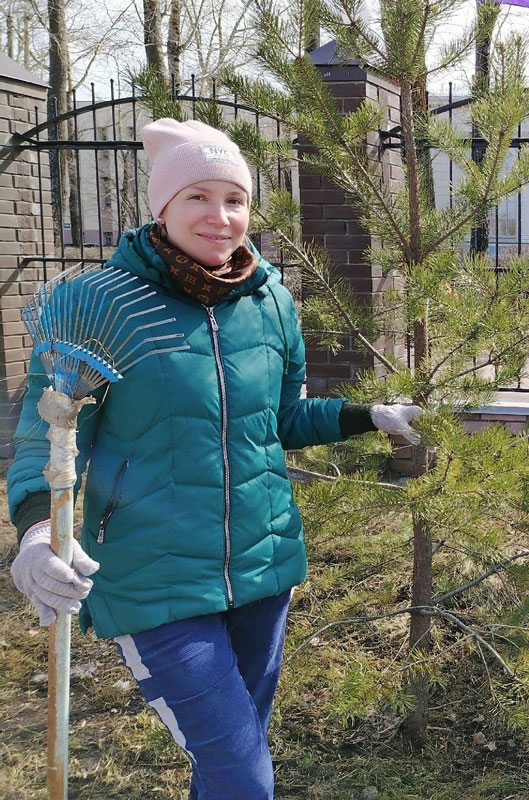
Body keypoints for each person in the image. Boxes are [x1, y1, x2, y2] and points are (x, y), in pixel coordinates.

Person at [6, 118, 422, 799]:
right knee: (242, 774)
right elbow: (46, 438)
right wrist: (36, 531)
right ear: (160, 206)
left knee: (233, 761)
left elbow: (279, 420)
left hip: (263, 572)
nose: (219, 216)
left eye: (234, 199)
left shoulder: (272, 302)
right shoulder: (98, 306)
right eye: (197, 196)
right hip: (154, 583)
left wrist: (363, 416)